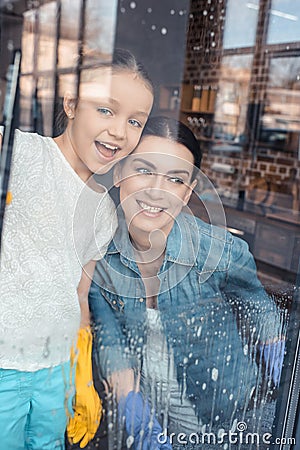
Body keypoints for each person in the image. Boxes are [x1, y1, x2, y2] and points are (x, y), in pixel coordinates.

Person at [89, 116, 285, 449]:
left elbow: (265, 321)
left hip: (236, 422)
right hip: (158, 425)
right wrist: (136, 416)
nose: (156, 190)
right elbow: (112, 346)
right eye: (144, 170)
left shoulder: (220, 252)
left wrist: (286, 393)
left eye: (175, 179)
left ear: (189, 190)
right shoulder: (99, 258)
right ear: (119, 172)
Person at [0, 48, 154, 450]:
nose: (121, 131)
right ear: (70, 103)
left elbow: (79, 292)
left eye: (135, 121)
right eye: (106, 110)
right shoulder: (20, 154)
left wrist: (81, 371)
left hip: (56, 371)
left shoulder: (104, 210)